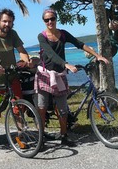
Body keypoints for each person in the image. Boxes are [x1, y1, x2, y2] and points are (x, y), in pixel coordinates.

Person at [35, 8, 110, 147]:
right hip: (44, 74)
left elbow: (80, 44)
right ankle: (40, 139)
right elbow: (50, 54)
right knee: (42, 107)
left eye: (52, 18)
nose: (50, 21)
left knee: (63, 109)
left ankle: (64, 137)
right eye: (47, 20)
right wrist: (66, 64)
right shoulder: (42, 36)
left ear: (56, 19)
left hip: (60, 74)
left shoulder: (63, 34)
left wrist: (97, 55)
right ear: (44, 21)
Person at [0, 8, 33, 146]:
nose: (7, 24)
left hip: (11, 76)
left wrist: (26, 60)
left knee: (18, 106)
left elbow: (21, 50)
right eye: (4, 21)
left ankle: (22, 134)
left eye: (10, 22)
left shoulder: (13, 34)